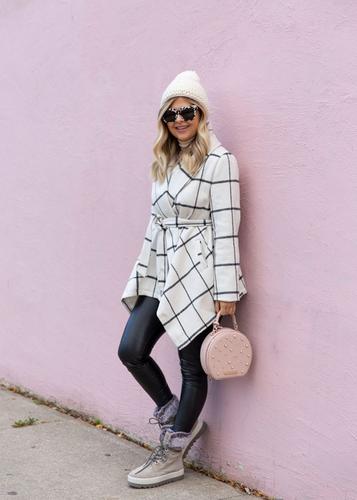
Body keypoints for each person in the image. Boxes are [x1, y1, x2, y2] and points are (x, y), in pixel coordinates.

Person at [119, 70, 248, 488]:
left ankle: (172, 454)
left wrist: (227, 291)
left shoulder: (220, 160)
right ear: (164, 119)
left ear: (201, 113)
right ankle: (180, 421)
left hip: (199, 274)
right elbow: (153, 226)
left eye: (187, 110)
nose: (180, 119)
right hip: (161, 270)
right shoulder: (162, 161)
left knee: (193, 367)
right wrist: (141, 276)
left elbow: (228, 227)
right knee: (131, 349)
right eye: (171, 113)